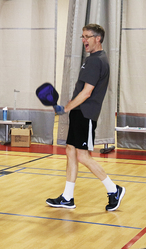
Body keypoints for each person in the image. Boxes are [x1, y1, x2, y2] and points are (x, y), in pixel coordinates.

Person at [46, 24, 125, 212]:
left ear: (98, 38)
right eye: (82, 37)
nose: (84, 41)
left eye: (87, 37)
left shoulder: (96, 61)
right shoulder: (93, 59)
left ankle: (114, 190)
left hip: (85, 114)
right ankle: (67, 196)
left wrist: (65, 108)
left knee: (82, 155)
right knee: (70, 151)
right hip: (79, 113)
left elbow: (87, 92)